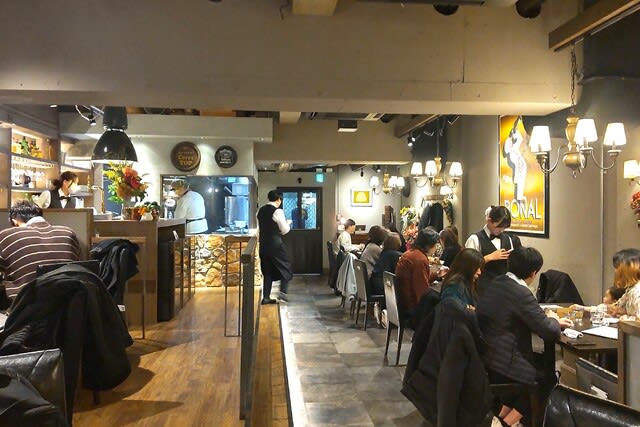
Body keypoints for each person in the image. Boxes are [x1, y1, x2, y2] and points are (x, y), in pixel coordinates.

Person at [476, 247, 573, 427]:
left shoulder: (498, 282)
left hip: (488, 356)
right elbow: (549, 331)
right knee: (546, 381)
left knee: (536, 373)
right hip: (504, 362)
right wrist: (554, 320)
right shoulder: (520, 292)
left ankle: (499, 419)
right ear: (533, 273)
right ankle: (505, 424)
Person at [0, 200, 80, 304]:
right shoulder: (68, 233)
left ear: (14, 221)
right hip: (70, 305)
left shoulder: (7, 236)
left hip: (26, 307)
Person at [465, 205, 521, 294]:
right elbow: (467, 266)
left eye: (504, 227)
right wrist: (489, 257)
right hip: (482, 289)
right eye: (498, 227)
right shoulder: (475, 239)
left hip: (504, 289)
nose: (501, 230)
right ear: (489, 221)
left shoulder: (508, 239)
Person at [395, 228, 444, 326]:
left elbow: (418, 279)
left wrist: (437, 275)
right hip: (413, 308)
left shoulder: (409, 253)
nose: (435, 248)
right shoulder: (419, 259)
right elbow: (422, 292)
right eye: (435, 245)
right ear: (429, 245)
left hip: (403, 302)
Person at [257, 190, 293, 304]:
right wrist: (288, 223)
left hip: (263, 245)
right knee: (286, 266)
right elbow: (285, 230)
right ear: (279, 199)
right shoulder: (278, 211)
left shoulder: (261, 210)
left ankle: (266, 297)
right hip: (275, 245)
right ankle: (283, 293)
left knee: (267, 271)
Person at [609, 248, 640, 319]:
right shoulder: (631, 289)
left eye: (617, 267)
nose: (615, 271)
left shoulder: (637, 291)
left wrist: (625, 317)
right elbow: (616, 307)